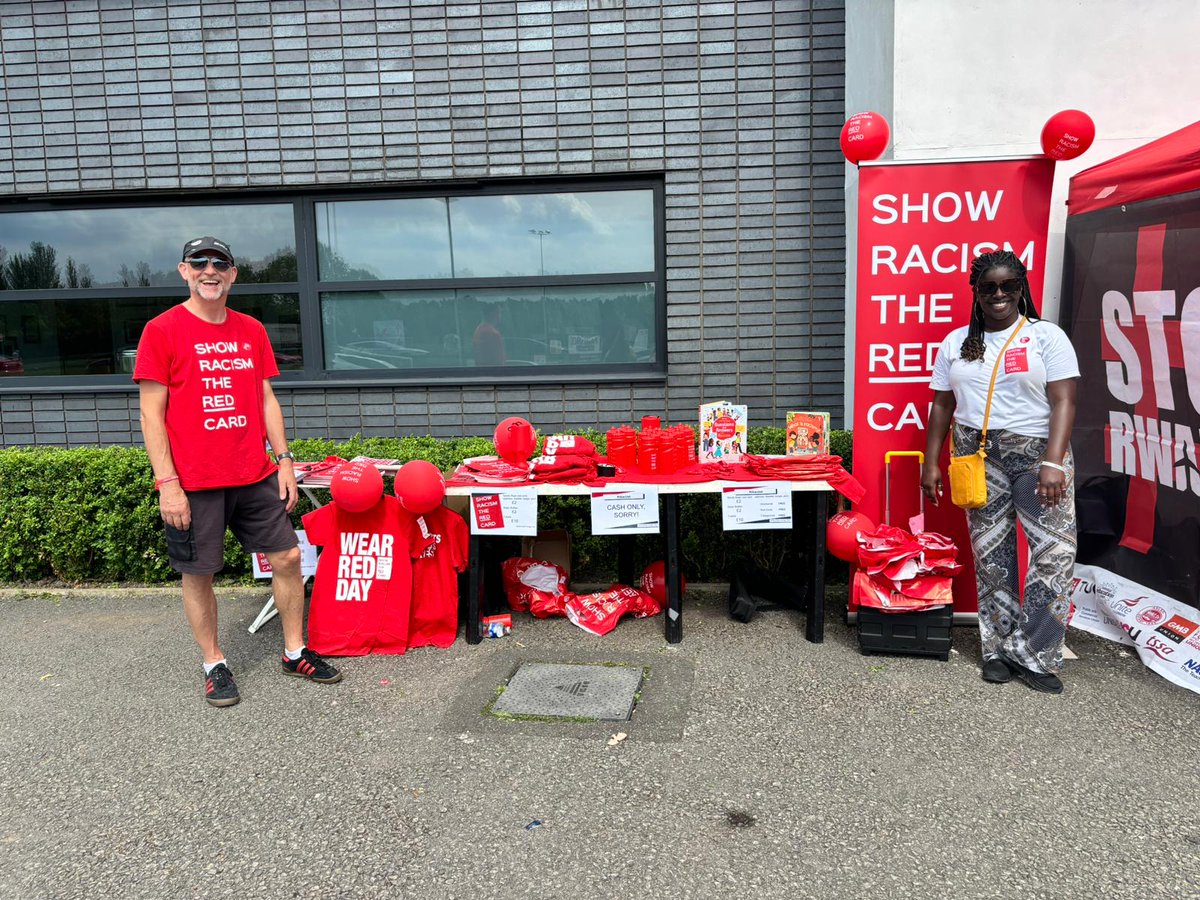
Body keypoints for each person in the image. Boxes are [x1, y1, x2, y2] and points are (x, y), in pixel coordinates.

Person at [134, 236, 341, 707]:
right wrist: (168, 484)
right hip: (194, 482)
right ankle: (214, 664)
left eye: (220, 263)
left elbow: (265, 397)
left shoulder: (251, 330)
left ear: (233, 274)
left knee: (288, 558)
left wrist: (285, 460)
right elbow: (150, 414)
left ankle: (293, 652)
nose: (210, 270)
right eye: (199, 263)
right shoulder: (161, 330)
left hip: (254, 474)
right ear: (184, 271)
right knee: (199, 573)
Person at [921, 250, 1080, 694]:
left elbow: (1065, 400)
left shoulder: (1045, 337)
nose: (998, 294)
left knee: (1054, 555)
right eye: (988, 286)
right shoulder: (957, 342)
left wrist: (1053, 461)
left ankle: (1037, 654)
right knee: (992, 556)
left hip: (1037, 456)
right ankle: (997, 649)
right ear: (975, 291)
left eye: (1008, 285)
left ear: (1021, 288)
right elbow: (942, 405)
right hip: (977, 454)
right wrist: (932, 461)